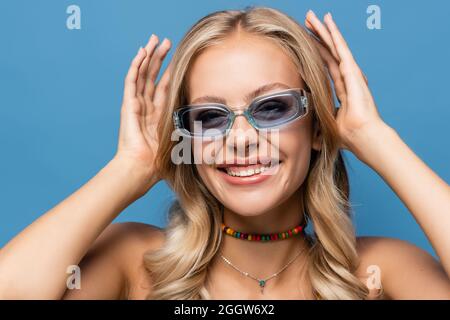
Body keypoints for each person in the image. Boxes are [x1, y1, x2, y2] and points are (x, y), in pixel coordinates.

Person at [0, 7, 449, 300]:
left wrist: (375, 138)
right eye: (210, 117)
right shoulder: (135, 263)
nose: (239, 139)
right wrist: (131, 168)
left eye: (272, 107)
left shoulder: (376, 273)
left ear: (316, 127)